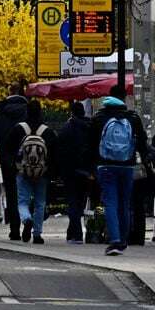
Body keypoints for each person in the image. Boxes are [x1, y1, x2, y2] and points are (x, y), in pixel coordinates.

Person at [82, 89, 149, 256]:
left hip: (105, 166)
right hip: (127, 166)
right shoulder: (132, 118)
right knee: (125, 203)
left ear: (108, 98)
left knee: (110, 202)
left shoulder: (99, 118)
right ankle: (124, 239)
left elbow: (89, 145)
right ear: (124, 99)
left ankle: (115, 240)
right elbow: (142, 143)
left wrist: (91, 167)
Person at [4, 98, 58, 244]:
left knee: (22, 201)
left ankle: (27, 219)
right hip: (42, 173)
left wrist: (14, 166)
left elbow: (8, 149)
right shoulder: (47, 131)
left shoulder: (19, 129)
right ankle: (37, 234)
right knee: (40, 203)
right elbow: (54, 154)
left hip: (22, 171)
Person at [0, 84, 30, 240]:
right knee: (28, 191)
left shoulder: (1, 110)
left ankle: (14, 229)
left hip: (7, 158)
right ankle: (28, 220)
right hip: (27, 157)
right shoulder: (28, 109)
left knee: (10, 193)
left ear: (9, 92)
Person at [57, 101, 91, 243]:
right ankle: (71, 233)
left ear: (72, 112)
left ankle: (76, 235)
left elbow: (59, 150)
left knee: (72, 202)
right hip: (85, 170)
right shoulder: (90, 128)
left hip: (69, 171)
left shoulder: (66, 128)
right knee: (80, 202)